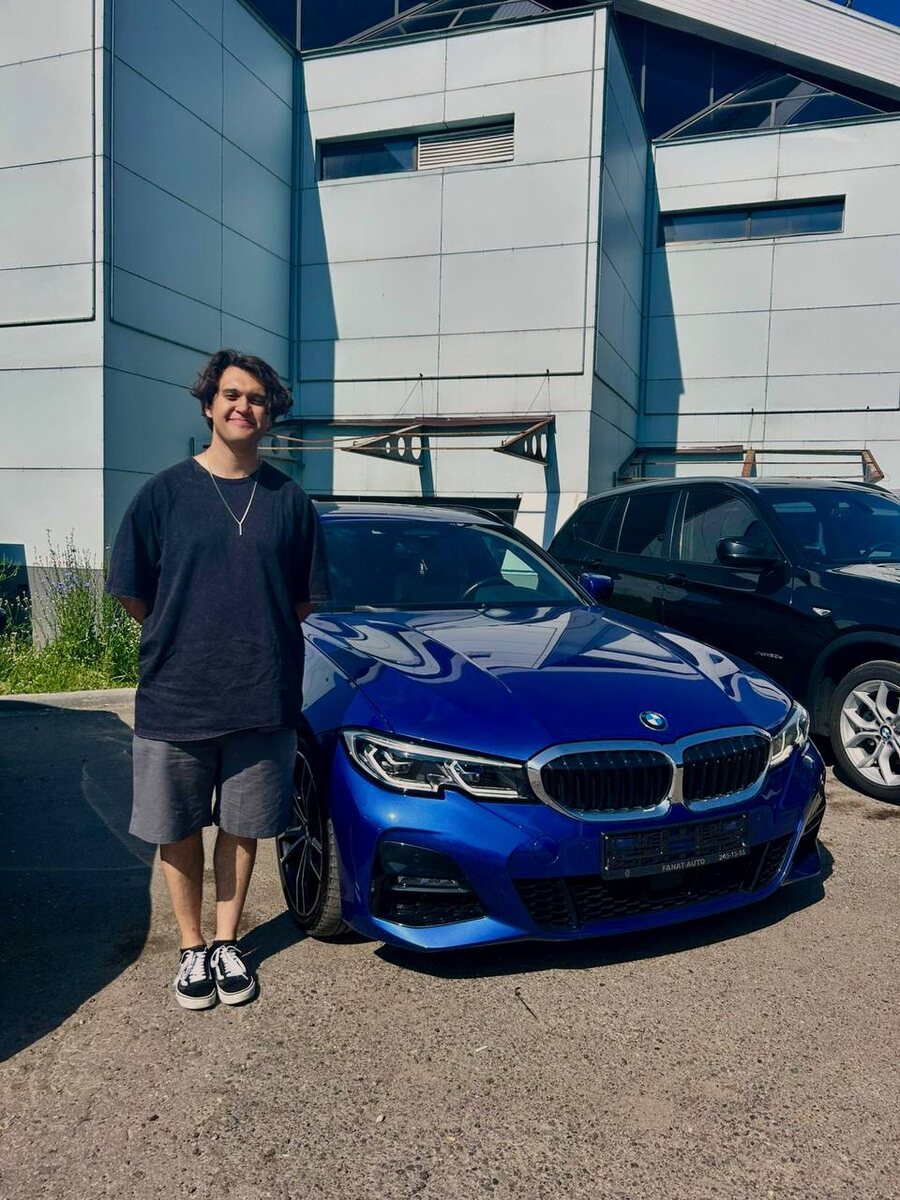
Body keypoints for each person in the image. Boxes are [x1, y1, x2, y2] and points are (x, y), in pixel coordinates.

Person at [107, 349, 329, 1010]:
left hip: (263, 695)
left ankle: (228, 942)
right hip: (176, 694)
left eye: (256, 398)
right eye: (231, 395)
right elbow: (133, 593)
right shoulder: (163, 494)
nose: (243, 406)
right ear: (209, 406)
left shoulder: (290, 501)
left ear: (270, 414)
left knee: (242, 826)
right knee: (177, 827)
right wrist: (186, 636)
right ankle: (191, 947)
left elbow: (301, 601)